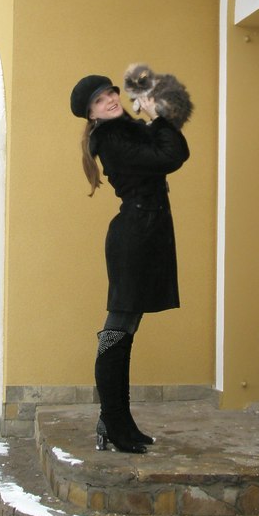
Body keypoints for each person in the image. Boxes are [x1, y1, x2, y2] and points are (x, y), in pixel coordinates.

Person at [70, 73, 190, 454]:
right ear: (91, 114)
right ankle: (113, 421)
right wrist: (158, 120)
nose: (109, 99)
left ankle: (118, 421)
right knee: (117, 330)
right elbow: (168, 157)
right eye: (99, 100)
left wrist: (158, 119)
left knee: (125, 330)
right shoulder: (112, 140)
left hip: (144, 235)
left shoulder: (128, 131)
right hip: (133, 240)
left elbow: (177, 152)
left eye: (110, 93)